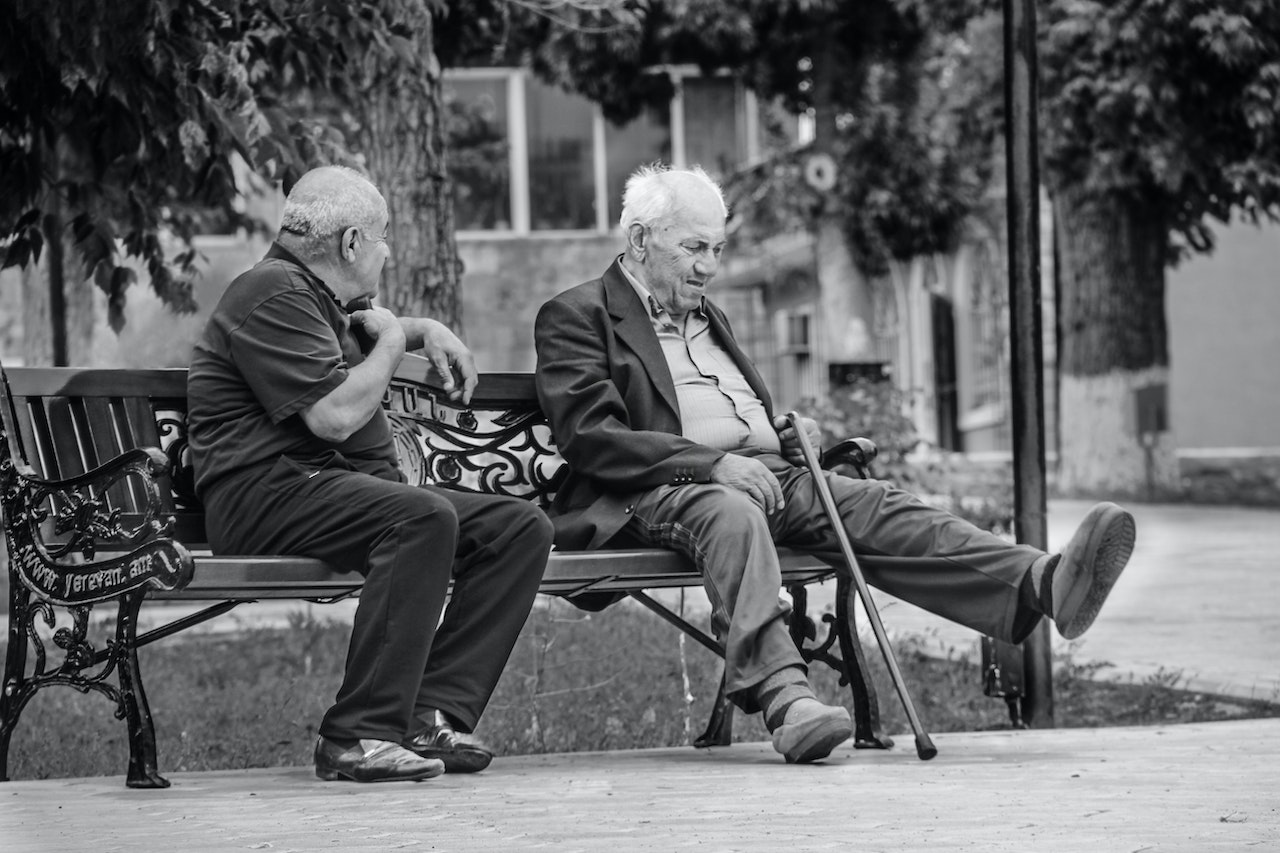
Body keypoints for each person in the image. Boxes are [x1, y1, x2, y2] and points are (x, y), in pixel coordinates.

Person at [533, 163, 1136, 766]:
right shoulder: (578, 314)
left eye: (717, 248)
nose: (709, 266)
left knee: (877, 504)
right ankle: (789, 703)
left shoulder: (706, 314)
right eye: (694, 248)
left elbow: (718, 406)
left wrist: (781, 434)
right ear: (640, 241)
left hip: (764, 475)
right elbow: (591, 436)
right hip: (658, 488)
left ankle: (1042, 583)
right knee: (730, 513)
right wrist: (713, 463)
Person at [188, 165, 552, 783]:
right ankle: (358, 733)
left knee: (517, 528)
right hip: (263, 495)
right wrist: (391, 343)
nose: (386, 254)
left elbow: (357, 350)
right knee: (420, 517)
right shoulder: (270, 292)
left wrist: (418, 329)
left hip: (313, 488)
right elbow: (333, 417)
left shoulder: (310, 298)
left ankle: (430, 712)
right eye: (383, 238)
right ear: (351, 243)